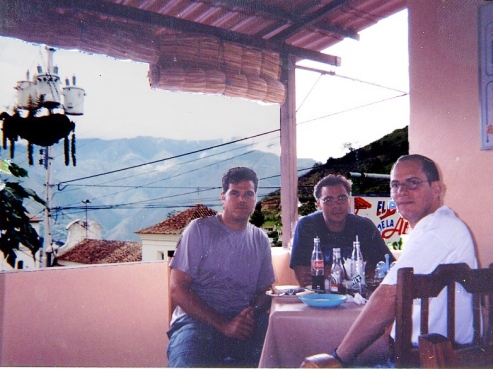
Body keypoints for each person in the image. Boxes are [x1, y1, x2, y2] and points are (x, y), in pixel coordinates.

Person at [309, 154, 478, 367]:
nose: (401, 192)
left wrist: (338, 358)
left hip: (427, 361)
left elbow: (388, 296)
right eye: (395, 185)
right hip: (421, 354)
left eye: (412, 183)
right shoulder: (435, 227)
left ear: (436, 189)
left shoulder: (437, 230)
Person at [167, 167, 275, 368]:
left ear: (255, 200)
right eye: (235, 193)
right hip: (197, 323)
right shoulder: (199, 229)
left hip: (244, 324)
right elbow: (177, 289)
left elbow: (264, 291)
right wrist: (225, 325)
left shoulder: (260, 239)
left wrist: (251, 313)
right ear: (223, 198)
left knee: (282, 356)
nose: (242, 199)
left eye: (248, 194)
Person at [290, 174, 394, 287]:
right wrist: (355, 273)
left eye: (342, 198)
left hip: (359, 297)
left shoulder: (364, 226)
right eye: (328, 200)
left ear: (349, 200)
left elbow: (388, 267)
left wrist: (328, 272)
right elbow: (304, 278)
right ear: (318, 204)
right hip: (319, 298)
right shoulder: (307, 225)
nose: (336, 205)